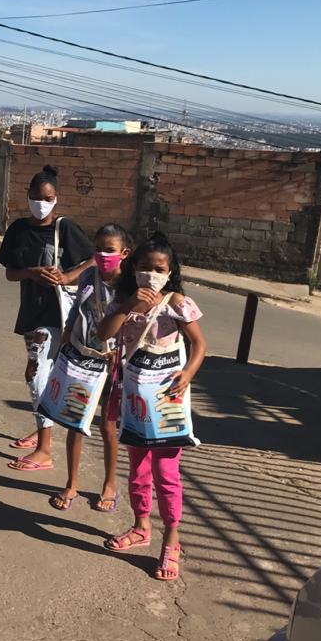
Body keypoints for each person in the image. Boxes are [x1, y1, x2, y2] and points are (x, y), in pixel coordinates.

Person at [97, 233, 207, 581]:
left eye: (159, 269)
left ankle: (171, 539)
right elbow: (103, 333)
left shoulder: (177, 303)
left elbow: (199, 344)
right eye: (145, 268)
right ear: (133, 269)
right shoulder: (124, 302)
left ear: (170, 272)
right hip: (134, 401)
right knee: (138, 469)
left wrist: (188, 373)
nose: (152, 275)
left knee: (166, 473)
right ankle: (141, 525)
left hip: (168, 401)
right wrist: (131, 305)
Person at [0, 165, 93, 472]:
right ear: (28, 196)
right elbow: (10, 273)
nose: (41, 203)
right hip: (32, 311)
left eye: (47, 198)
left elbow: (93, 261)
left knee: (35, 374)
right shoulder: (18, 230)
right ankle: (42, 429)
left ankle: (45, 450)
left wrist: (67, 276)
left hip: (60, 314)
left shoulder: (66, 228)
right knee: (44, 375)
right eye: (36, 197)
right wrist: (31, 273)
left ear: (56, 198)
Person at [50, 224, 132, 513]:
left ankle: (110, 484)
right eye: (98, 249)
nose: (102, 255)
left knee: (107, 425)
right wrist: (68, 330)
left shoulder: (129, 286)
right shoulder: (88, 275)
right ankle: (71, 482)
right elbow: (77, 307)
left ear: (124, 253)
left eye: (109, 250)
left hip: (112, 364)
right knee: (75, 420)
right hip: (82, 358)